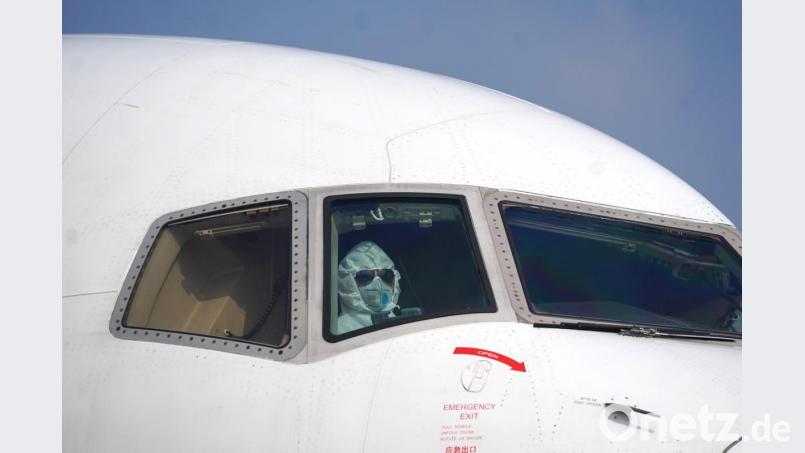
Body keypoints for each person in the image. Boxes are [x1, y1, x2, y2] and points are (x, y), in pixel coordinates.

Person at [336, 241, 401, 334]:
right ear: (347, 282)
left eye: (385, 276)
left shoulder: (404, 325)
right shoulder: (337, 332)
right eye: (366, 276)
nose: (378, 283)